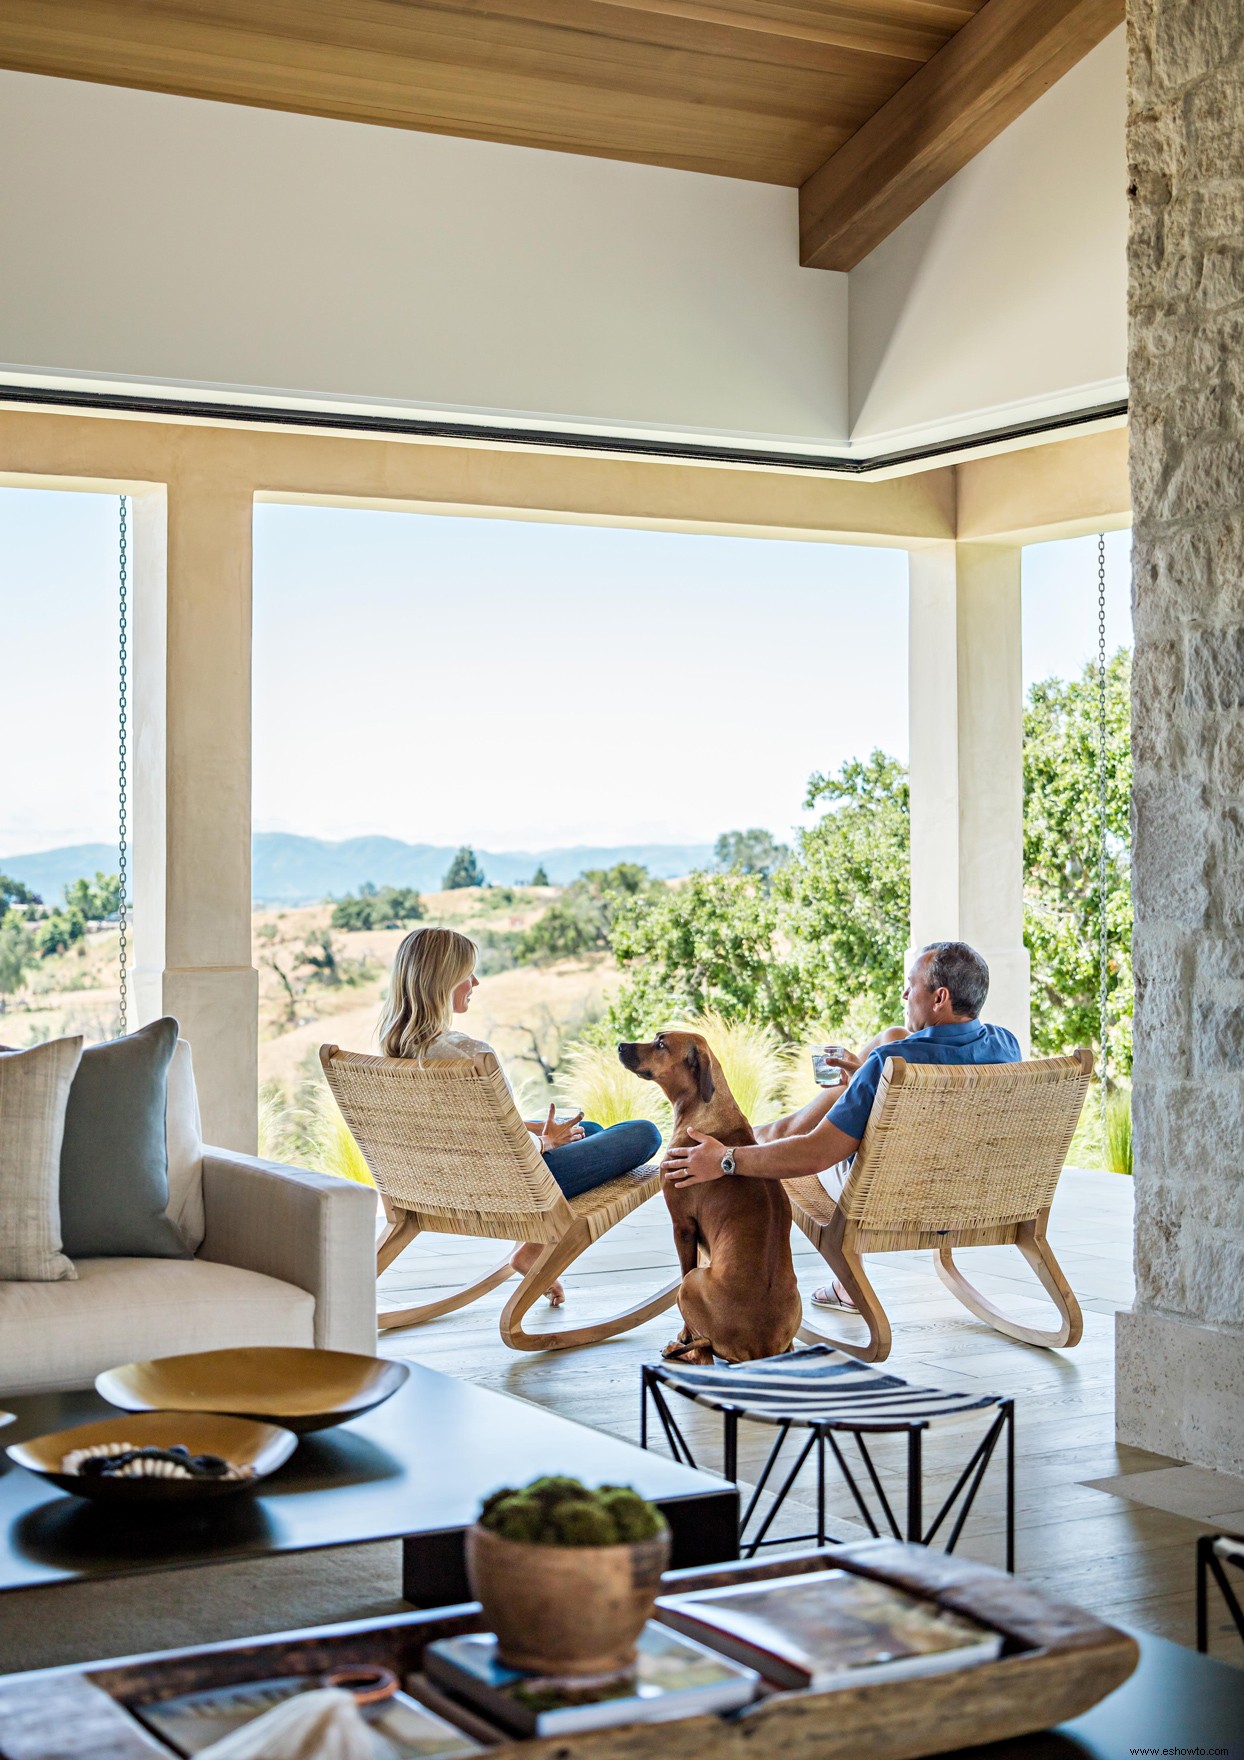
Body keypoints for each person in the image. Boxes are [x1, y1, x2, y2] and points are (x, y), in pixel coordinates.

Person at [662, 941, 1022, 1312]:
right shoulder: (1006, 1047)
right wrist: (864, 1082)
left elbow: (814, 1154)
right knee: (880, 1050)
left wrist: (726, 1159)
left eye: (911, 985)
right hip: (975, 1197)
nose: (904, 993)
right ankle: (764, 1136)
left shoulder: (893, 1062)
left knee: (784, 1149)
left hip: (894, 1202)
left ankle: (756, 1145)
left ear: (939, 997)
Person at [379, 925, 662, 1307]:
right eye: (467, 974)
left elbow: (467, 1128)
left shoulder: (392, 1052)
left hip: (440, 1184)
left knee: (587, 1129)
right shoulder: (467, 1054)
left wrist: (543, 1133)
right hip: (506, 1189)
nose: (475, 982)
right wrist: (544, 1142)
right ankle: (532, 1250)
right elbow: (497, 1142)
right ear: (443, 980)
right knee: (644, 1133)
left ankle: (530, 1248)